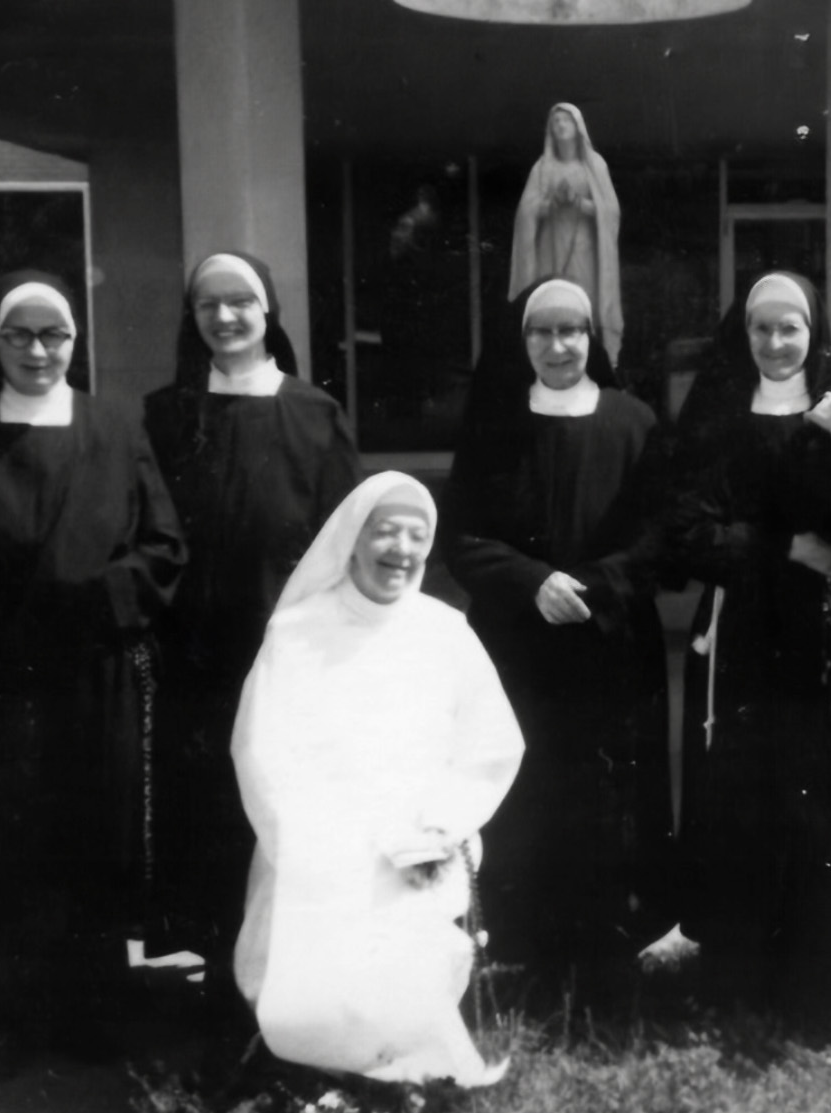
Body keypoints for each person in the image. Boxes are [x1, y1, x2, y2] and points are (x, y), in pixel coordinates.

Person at [0, 271, 186, 1074]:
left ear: (75, 339)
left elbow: (162, 544)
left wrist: (95, 599)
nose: (37, 350)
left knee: (86, 838)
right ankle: (6, 1015)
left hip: (88, 671)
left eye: (53, 334)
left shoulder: (112, 424)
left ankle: (94, 1013)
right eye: (18, 335)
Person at [231, 472, 522, 1088]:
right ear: (353, 541)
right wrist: (314, 838)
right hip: (316, 836)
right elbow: (260, 747)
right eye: (386, 532)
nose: (402, 549)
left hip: (418, 839)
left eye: (418, 535)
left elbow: (493, 743)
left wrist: (440, 827)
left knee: (404, 956)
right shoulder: (298, 631)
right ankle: (316, 1069)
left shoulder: (445, 631)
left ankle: (392, 1067)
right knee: (313, 975)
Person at [441, 278, 673, 980]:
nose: (558, 344)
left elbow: (661, 531)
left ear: (592, 336)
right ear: (523, 342)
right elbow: (463, 536)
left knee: (609, 792)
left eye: (572, 329)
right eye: (542, 331)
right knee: (527, 787)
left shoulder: (635, 422)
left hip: (611, 642)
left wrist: (597, 585)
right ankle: (526, 943)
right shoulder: (494, 426)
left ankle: (610, 942)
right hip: (519, 646)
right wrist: (530, 582)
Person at [142, 251, 360, 993]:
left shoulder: (315, 414)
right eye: (208, 304)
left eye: (240, 302)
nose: (225, 317)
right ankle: (215, 965)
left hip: (288, 649)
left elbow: (344, 540)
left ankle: (284, 968)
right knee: (205, 805)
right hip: (195, 652)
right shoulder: (166, 414)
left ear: (268, 311)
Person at [666, 270, 831, 1008]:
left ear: (814, 336)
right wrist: (783, 549)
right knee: (739, 789)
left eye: (791, 329)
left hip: (818, 634)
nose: (776, 343)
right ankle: (736, 958)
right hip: (740, 629)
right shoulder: (715, 419)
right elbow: (684, 531)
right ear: (741, 336)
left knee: (813, 786)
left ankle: (811, 959)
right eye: (761, 329)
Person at [508, 103, 624, 365]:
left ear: (577, 127)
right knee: (554, 301)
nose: (560, 125)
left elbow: (611, 211)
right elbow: (526, 212)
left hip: (584, 248)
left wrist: (578, 203)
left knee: (584, 303)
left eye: (565, 121)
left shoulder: (594, 165)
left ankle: (593, 359)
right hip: (550, 245)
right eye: (555, 121)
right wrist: (550, 204)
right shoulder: (542, 168)